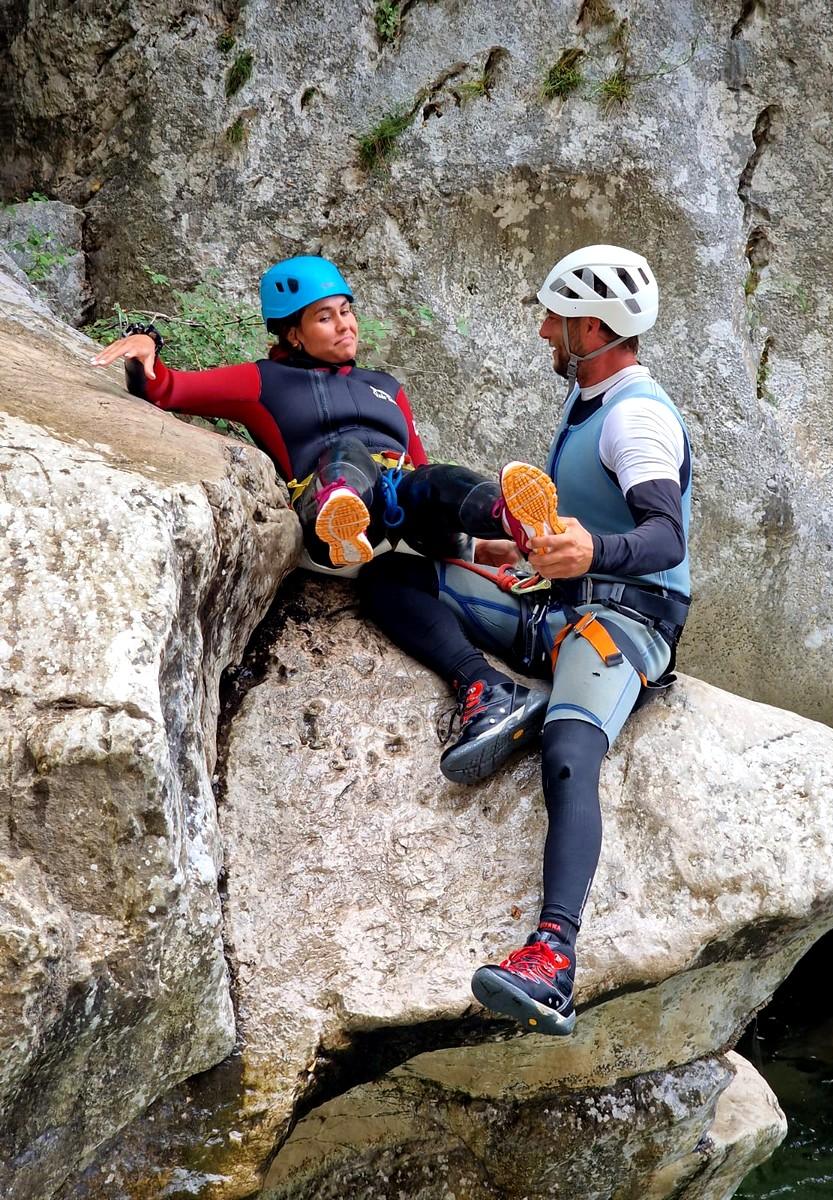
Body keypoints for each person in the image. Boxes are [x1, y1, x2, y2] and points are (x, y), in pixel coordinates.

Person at [359, 245, 692, 1037]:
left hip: (624, 623)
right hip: (554, 604)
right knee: (391, 579)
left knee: (571, 751)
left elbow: (664, 537)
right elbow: (587, 531)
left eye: (554, 317)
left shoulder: (637, 414)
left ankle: (553, 960)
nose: (544, 330)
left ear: (591, 325)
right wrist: (512, 557)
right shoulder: (591, 403)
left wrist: (592, 557)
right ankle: (490, 689)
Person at [90, 255, 516, 573]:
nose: (344, 325)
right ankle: (341, 510)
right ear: (294, 333)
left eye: (346, 312)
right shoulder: (264, 382)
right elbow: (168, 389)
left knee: (433, 477)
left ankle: (508, 514)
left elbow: (420, 466)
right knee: (347, 449)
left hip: (405, 518)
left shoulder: (386, 387)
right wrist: (143, 344)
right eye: (325, 318)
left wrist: (474, 545)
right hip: (327, 520)